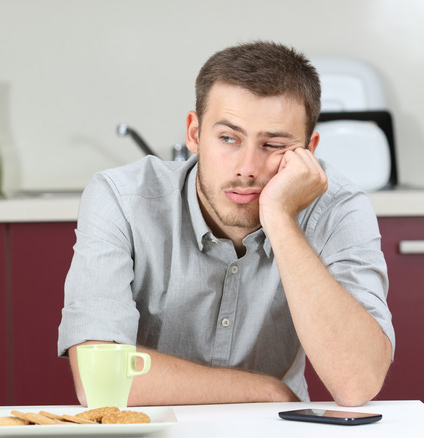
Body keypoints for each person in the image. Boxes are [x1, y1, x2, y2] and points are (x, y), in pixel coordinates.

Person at [58, 41, 394, 407]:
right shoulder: (121, 198)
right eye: (228, 138)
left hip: (273, 430)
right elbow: (98, 379)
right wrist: (265, 391)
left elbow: (357, 382)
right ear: (194, 133)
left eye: (273, 145)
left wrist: (280, 218)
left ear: (309, 150)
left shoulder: (339, 209)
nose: (247, 168)